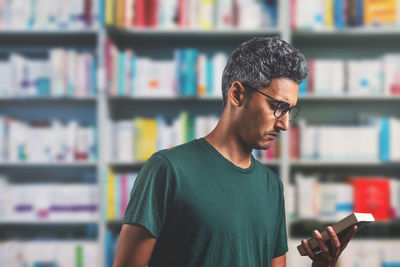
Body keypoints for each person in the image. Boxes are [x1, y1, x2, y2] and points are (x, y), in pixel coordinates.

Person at [112, 36, 357, 267]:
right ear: (237, 94)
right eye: (277, 107)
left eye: (289, 110)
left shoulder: (271, 186)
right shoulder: (168, 169)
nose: (284, 124)